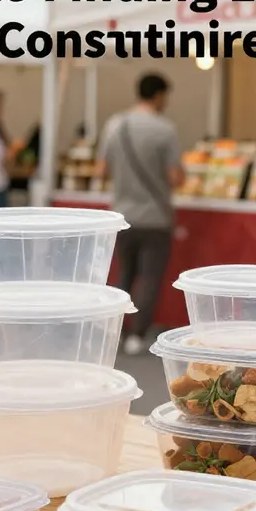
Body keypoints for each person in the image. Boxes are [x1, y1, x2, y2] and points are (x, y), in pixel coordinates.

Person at [98, 73, 183, 356]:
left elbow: (101, 171)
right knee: (149, 277)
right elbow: (175, 177)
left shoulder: (114, 125)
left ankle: (116, 332)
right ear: (158, 95)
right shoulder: (164, 130)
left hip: (122, 215)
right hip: (155, 217)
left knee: (125, 274)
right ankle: (137, 335)